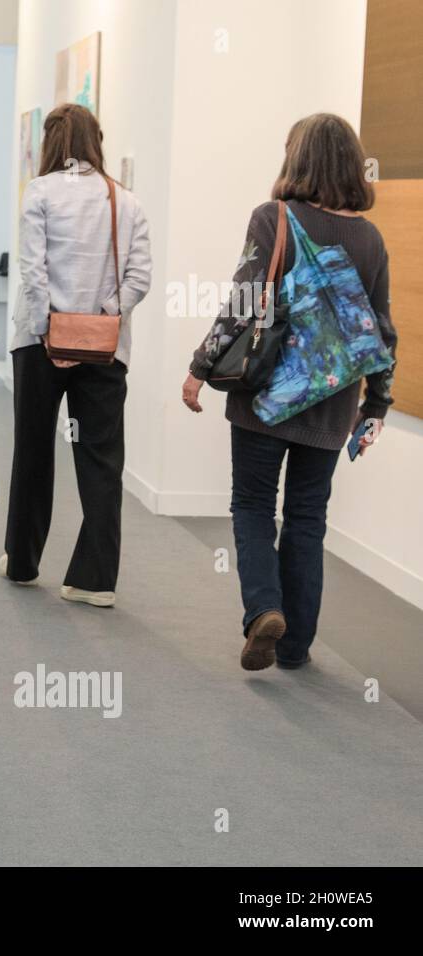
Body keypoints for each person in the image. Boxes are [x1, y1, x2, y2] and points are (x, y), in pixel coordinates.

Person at [182, 113, 397, 672]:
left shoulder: (272, 217)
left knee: (252, 505)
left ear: (296, 158)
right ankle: (296, 645)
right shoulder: (369, 238)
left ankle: (263, 611)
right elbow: (380, 329)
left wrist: (200, 368)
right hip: (331, 403)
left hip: (264, 395)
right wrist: (375, 407)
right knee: (308, 516)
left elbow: (243, 301)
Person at [1, 103, 152, 608]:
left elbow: (33, 270)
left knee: (34, 451)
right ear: (95, 141)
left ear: (51, 143)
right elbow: (140, 278)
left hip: (40, 346)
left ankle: (22, 563)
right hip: (106, 350)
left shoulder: (40, 193)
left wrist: (51, 332)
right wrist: (101, 319)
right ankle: (95, 580)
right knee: (102, 460)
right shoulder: (126, 201)